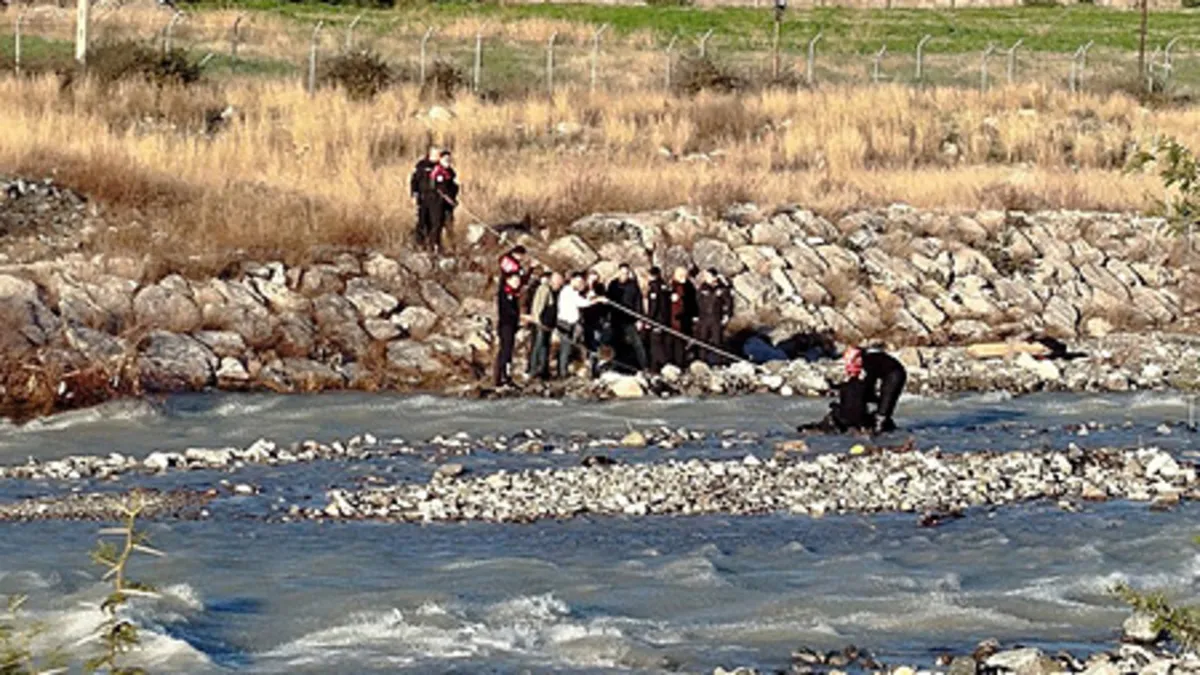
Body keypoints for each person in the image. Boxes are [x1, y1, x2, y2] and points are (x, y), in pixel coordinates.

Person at [556, 273, 603, 378]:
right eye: (577, 281)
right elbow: (582, 303)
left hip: (572, 323)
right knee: (566, 348)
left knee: (568, 347)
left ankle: (564, 370)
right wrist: (597, 300)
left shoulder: (574, 291)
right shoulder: (568, 291)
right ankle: (562, 372)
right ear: (572, 280)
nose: (579, 283)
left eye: (580, 282)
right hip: (565, 322)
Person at [606, 263, 648, 372]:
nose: (624, 275)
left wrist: (640, 319)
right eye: (622, 273)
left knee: (637, 343)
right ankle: (616, 366)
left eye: (626, 273)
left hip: (630, 319)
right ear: (619, 272)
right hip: (616, 319)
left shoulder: (633, 285)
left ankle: (644, 366)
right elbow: (608, 301)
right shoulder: (613, 284)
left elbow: (638, 302)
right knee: (615, 343)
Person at [857, 347, 907, 433]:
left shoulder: (868, 361)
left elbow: (869, 381)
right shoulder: (870, 358)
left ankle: (880, 427)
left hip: (895, 375)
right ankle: (885, 426)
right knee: (884, 402)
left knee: (885, 405)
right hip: (893, 373)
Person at [527, 271, 562, 380]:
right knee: (538, 347)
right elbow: (538, 306)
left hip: (549, 324)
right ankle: (533, 370)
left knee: (545, 347)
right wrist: (537, 321)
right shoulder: (544, 289)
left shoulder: (556, 291)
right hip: (541, 323)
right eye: (557, 280)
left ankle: (543, 371)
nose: (559, 283)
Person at [427, 150, 459, 254]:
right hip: (437, 203)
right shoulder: (437, 171)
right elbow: (439, 189)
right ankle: (434, 246)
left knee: (449, 224)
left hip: (448, 205)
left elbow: (453, 186)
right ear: (440, 159)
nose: (448, 161)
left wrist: (453, 199)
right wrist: (448, 199)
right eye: (445, 159)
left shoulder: (450, 172)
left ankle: (453, 247)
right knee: (437, 225)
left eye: (449, 159)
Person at [494, 272, 522, 387]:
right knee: (505, 351)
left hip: (511, 325)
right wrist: (519, 317)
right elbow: (507, 311)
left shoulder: (513, 293)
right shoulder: (505, 292)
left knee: (508, 351)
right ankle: (502, 376)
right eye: (515, 280)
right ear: (508, 280)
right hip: (506, 325)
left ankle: (506, 375)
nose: (517, 283)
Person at [695, 269, 728, 366]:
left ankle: (719, 362)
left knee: (717, 340)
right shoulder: (702, 288)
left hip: (716, 317)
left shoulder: (721, 289)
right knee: (702, 339)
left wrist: (726, 315)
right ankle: (702, 360)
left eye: (708, 276)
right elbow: (697, 302)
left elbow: (728, 303)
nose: (706, 278)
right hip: (704, 318)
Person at [409, 147, 439, 249]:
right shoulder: (421, 165)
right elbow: (414, 180)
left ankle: (433, 243)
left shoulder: (441, 166)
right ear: (430, 154)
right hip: (423, 197)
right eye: (434, 154)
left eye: (438, 155)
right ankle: (419, 242)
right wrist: (414, 193)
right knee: (422, 220)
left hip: (436, 199)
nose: (436, 157)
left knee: (434, 222)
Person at [668, 266, 698, 368]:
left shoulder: (689, 287)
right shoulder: (671, 286)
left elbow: (692, 302)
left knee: (683, 341)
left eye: (684, 275)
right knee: (675, 341)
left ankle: (682, 361)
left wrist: (694, 315)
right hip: (673, 318)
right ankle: (676, 361)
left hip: (684, 318)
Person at [645, 267, 671, 372]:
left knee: (656, 344)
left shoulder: (654, 287)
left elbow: (654, 306)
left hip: (657, 320)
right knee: (659, 343)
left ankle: (665, 364)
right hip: (664, 319)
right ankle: (654, 367)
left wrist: (649, 320)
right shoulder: (664, 286)